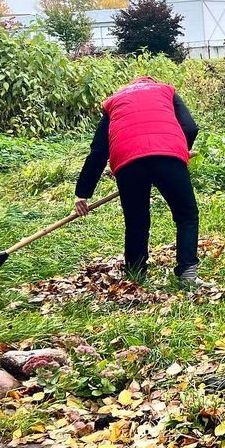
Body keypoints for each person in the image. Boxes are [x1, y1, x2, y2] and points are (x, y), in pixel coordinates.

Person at [73, 75, 207, 288]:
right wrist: (182, 149)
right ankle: (187, 273)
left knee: (136, 220)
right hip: (168, 157)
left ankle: (136, 274)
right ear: (153, 83)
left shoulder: (115, 101)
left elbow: (98, 151)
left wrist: (83, 193)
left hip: (128, 163)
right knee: (186, 215)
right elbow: (190, 128)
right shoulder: (166, 90)